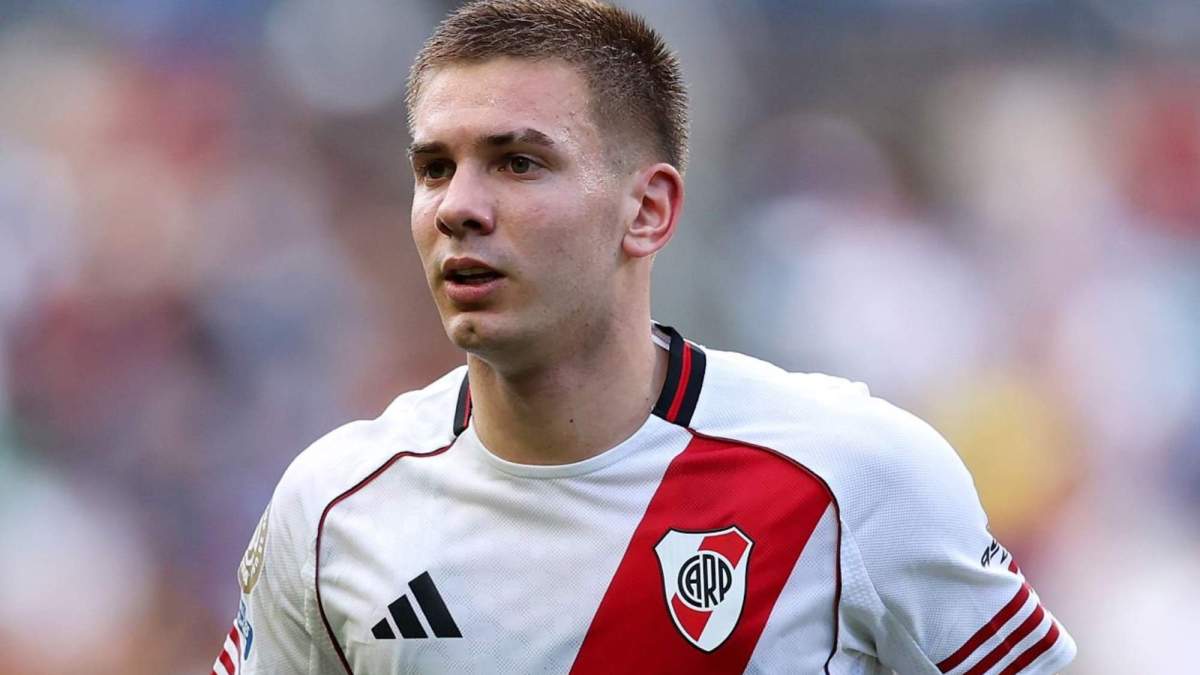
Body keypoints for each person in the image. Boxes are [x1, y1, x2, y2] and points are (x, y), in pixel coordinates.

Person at [212, 1, 1076, 673]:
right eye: (435, 167)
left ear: (648, 209)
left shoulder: (856, 475)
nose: (458, 207)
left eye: (518, 161)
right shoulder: (331, 507)